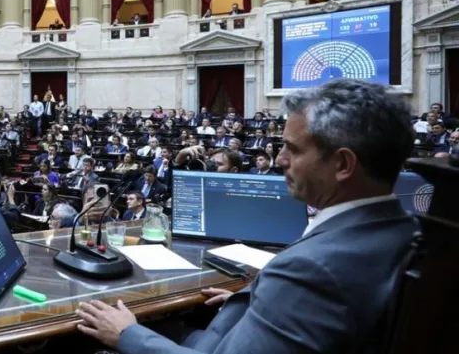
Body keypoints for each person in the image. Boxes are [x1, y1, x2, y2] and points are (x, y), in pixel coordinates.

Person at [77, 79, 418, 354]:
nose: (280, 160)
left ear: (343, 165)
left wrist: (127, 335)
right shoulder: (408, 232)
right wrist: (259, 302)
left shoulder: (311, 270)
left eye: (293, 149)